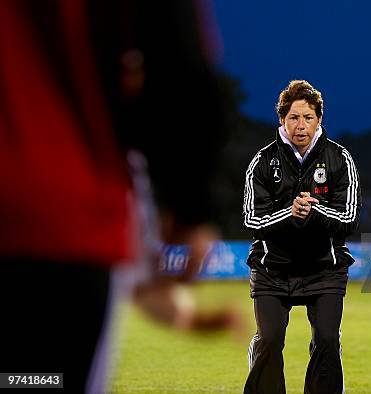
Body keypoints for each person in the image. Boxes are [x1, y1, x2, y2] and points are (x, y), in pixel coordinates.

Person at [0, 1, 233, 393]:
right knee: (29, 382)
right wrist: (191, 204)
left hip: (51, 224)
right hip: (52, 225)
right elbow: (176, 59)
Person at [242, 80, 362, 394]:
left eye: (308, 117)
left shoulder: (339, 158)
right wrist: (290, 214)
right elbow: (252, 219)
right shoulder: (262, 161)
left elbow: (348, 218)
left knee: (325, 339)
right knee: (270, 340)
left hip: (324, 269)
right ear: (282, 120)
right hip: (273, 270)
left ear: (319, 120)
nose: (301, 125)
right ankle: (261, 354)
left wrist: (315, 212)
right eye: (294, 117)